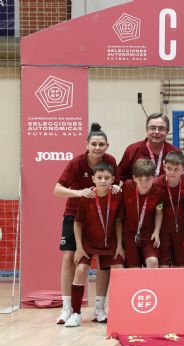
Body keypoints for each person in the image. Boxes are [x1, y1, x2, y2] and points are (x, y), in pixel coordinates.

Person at [53, 123, 119, 325]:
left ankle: (100, 308)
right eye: (94, 144)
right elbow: (57, 189)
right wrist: (78, 193)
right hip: (75, 215)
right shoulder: (76, 163)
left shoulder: (110, 161)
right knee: (69, 257)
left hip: (102, 217)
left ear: (107, 146)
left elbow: (116, 182)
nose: (97, 147)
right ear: (87, 145)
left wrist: (116, 186)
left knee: (103, 261)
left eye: (101, 144)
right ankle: (67, 308)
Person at [65, 162, 124, 327]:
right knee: (81, 269)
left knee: (116, 269)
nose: (103, 180)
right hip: (88, 242)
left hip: (109, 242)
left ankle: (101, 309)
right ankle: (75, 313)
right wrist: (79, 247)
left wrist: (119, 245)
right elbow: (77, 224)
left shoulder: (117, 195)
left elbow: (119, 222)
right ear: (93, 179)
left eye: (107, 178)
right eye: (99, 177)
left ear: (112, 179)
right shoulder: (86, 197)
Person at [118, 113, 184, 181]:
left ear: (167, 131)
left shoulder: (175, 152)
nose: (157, 132)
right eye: (153, 128)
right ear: (147, 129)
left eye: (161, 129)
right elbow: (120, 177)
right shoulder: (132, 150)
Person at [121, 159, 164, 268]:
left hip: (148, 236)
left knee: (153, 261)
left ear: (154, 178)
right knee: (133, 269)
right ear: (134, 178)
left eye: (148, 179)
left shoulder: (158, 192)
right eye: (140, 179)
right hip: (130, 236)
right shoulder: (127, 186)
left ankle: (151, 285)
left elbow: (159, 212)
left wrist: (156, 231)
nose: (144, 183)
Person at [153, 151, 184, 267]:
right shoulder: (157, 184)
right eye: (169, 168)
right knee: (163, 265)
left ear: (183, 170)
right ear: (164, 167)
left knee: (180, 265)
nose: (172, 172)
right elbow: (155, 210)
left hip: (181, 230)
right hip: (163, 230)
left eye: (176, 169)